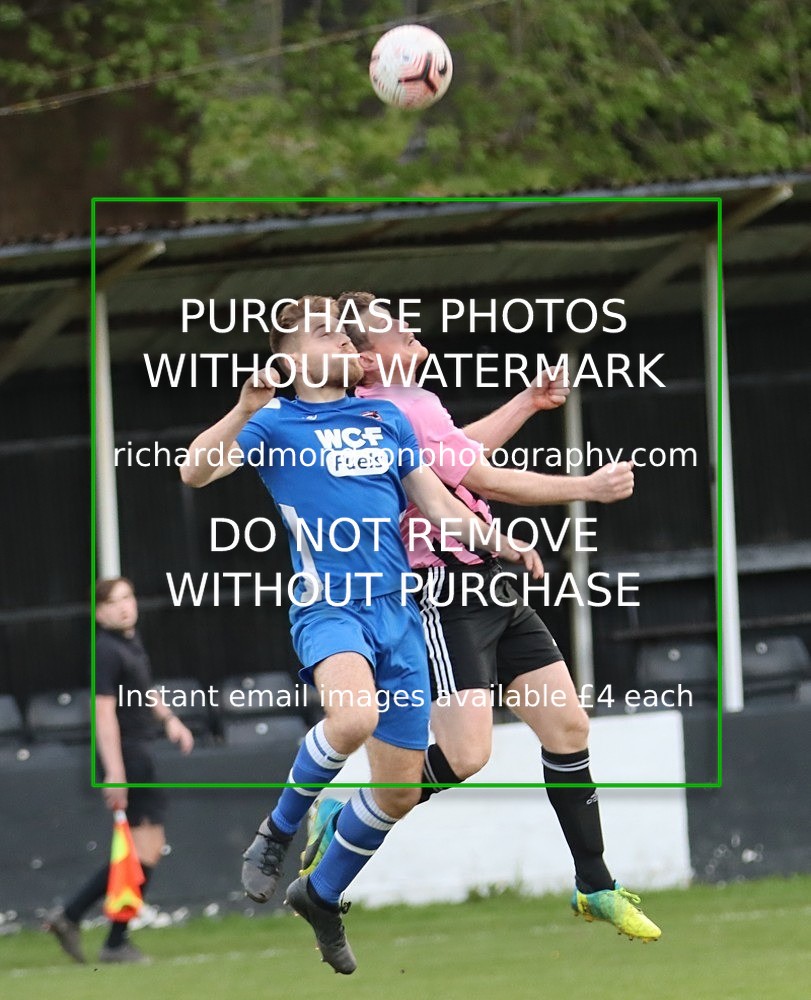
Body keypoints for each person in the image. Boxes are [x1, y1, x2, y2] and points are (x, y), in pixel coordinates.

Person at [179, 296, 540, 974]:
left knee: (398, 792)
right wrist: (242, 409)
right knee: (352, 718)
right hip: (331, 607)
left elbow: (437, 504)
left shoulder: (386, 417)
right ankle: (277, 831)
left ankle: (319, 894)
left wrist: (502, 542)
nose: (343, 340)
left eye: (345, 334)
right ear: (290, 360)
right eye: (323, 333)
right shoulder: (273, 422)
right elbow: (195, 470)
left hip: (399, 614)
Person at [301, 291, 660, 943]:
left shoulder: (411, 403)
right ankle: (348, 813)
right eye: (393, 328)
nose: (410, 329)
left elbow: (459, 454)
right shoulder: (388, 409)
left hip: (492, 582)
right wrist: (586, 488)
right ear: (367, 357)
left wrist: (525, 403)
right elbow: (485, 480)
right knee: (467, 755)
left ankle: (595, 885)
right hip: (444, 592)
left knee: (567, 725)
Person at [44, 577, 194, 964]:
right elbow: (104, 713)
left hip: (139, 752)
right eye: (113, 602)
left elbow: (144, 689)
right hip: (127, 757)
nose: (124, 606)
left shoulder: (129, 642)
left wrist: (170, 720)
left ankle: (75, 917)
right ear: (99, 613)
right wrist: (115, 771)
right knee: (143, 849)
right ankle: (109, 938)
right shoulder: (106, 651)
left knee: (145, 849)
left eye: (127, 597)